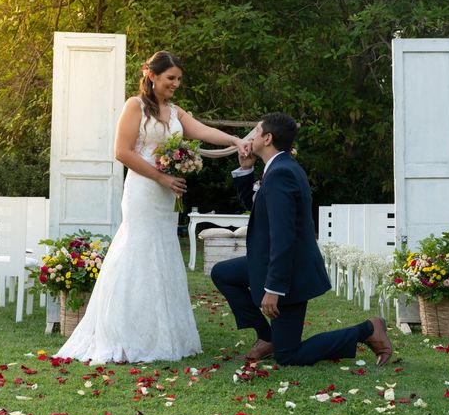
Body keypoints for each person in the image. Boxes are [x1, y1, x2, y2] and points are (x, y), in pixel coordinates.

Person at [55, 51, 249, 364]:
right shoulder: (135, 106)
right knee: (137, 250)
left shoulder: (174, 112)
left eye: (179, 79)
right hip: (144, 191)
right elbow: (122, 151)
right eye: (171, 78)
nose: (176, 83)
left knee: (162, 252)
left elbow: (202, 131)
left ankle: (161, 333)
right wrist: (161, 177)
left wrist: (236, 140)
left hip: (166, 195)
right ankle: (123, 333)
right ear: (152, 75)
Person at [210, 112, 393, 366]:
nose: (250, 136)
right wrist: (245, 169)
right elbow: (258, 207)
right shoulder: (278, 167)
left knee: (289, 356)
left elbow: (284, 236)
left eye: (255, 131)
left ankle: (367, 329)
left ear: (268, 138)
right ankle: (267, 336)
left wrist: (272, 289)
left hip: (290, 275)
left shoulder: (280, 173)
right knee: (223, 273)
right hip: (271, 264)